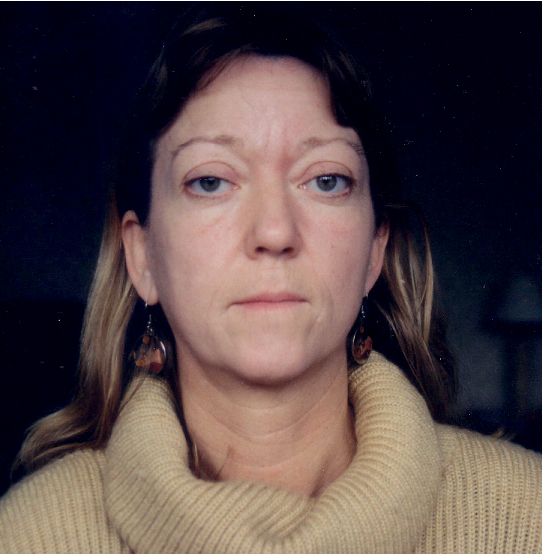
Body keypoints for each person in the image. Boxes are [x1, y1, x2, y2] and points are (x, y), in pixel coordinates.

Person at [0, 5, 540, 553]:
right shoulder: (29, 536)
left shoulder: (527, 516)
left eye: (326, 180)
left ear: (374, 251)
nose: (276, 231)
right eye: (211, 181)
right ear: (142, 257)